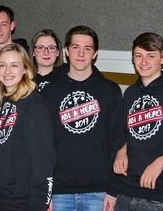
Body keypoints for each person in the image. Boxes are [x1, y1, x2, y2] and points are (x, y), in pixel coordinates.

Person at [40, 26, 124, 211]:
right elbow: (42, 146)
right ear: (66, 51)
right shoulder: (49, 92)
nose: (81, 53)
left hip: (99, 192)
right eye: (75, 47)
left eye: (87, 48)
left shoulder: (110, 91)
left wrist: (113, 190)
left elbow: (118, 143)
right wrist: (45, 192)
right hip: (58, 192)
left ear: (95, 53)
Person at [109, 32, 163, 211]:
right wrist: (122, 151)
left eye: (150, 56)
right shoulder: (130, 93)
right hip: (127, 190)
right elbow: (128, 134)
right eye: (139, 55)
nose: (143, 62)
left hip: (161, 194)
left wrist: (161, 162)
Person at [0, 44, 55, 211]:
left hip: (21, 202)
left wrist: (40, 203)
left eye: (14, 65)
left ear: (25, 70)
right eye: (2, 65)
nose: (7, 71)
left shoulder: (34, 105)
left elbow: (44, 160)